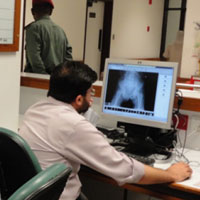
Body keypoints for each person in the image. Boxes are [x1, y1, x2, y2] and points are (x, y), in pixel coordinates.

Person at [19, 61, 192, 200]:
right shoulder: (74, 125)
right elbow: (125, 169)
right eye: (90, 93)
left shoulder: (35, 109)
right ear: (79, 99)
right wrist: (169, 174)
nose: (92, 99)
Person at [24, 0, 72, 74]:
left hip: (37, 79)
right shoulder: (60, 30)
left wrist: (44, 76)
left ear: (32, 11)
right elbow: (68, 57)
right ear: (51, 12)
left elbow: (34, 57)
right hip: (57, 79)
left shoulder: (33, 29)